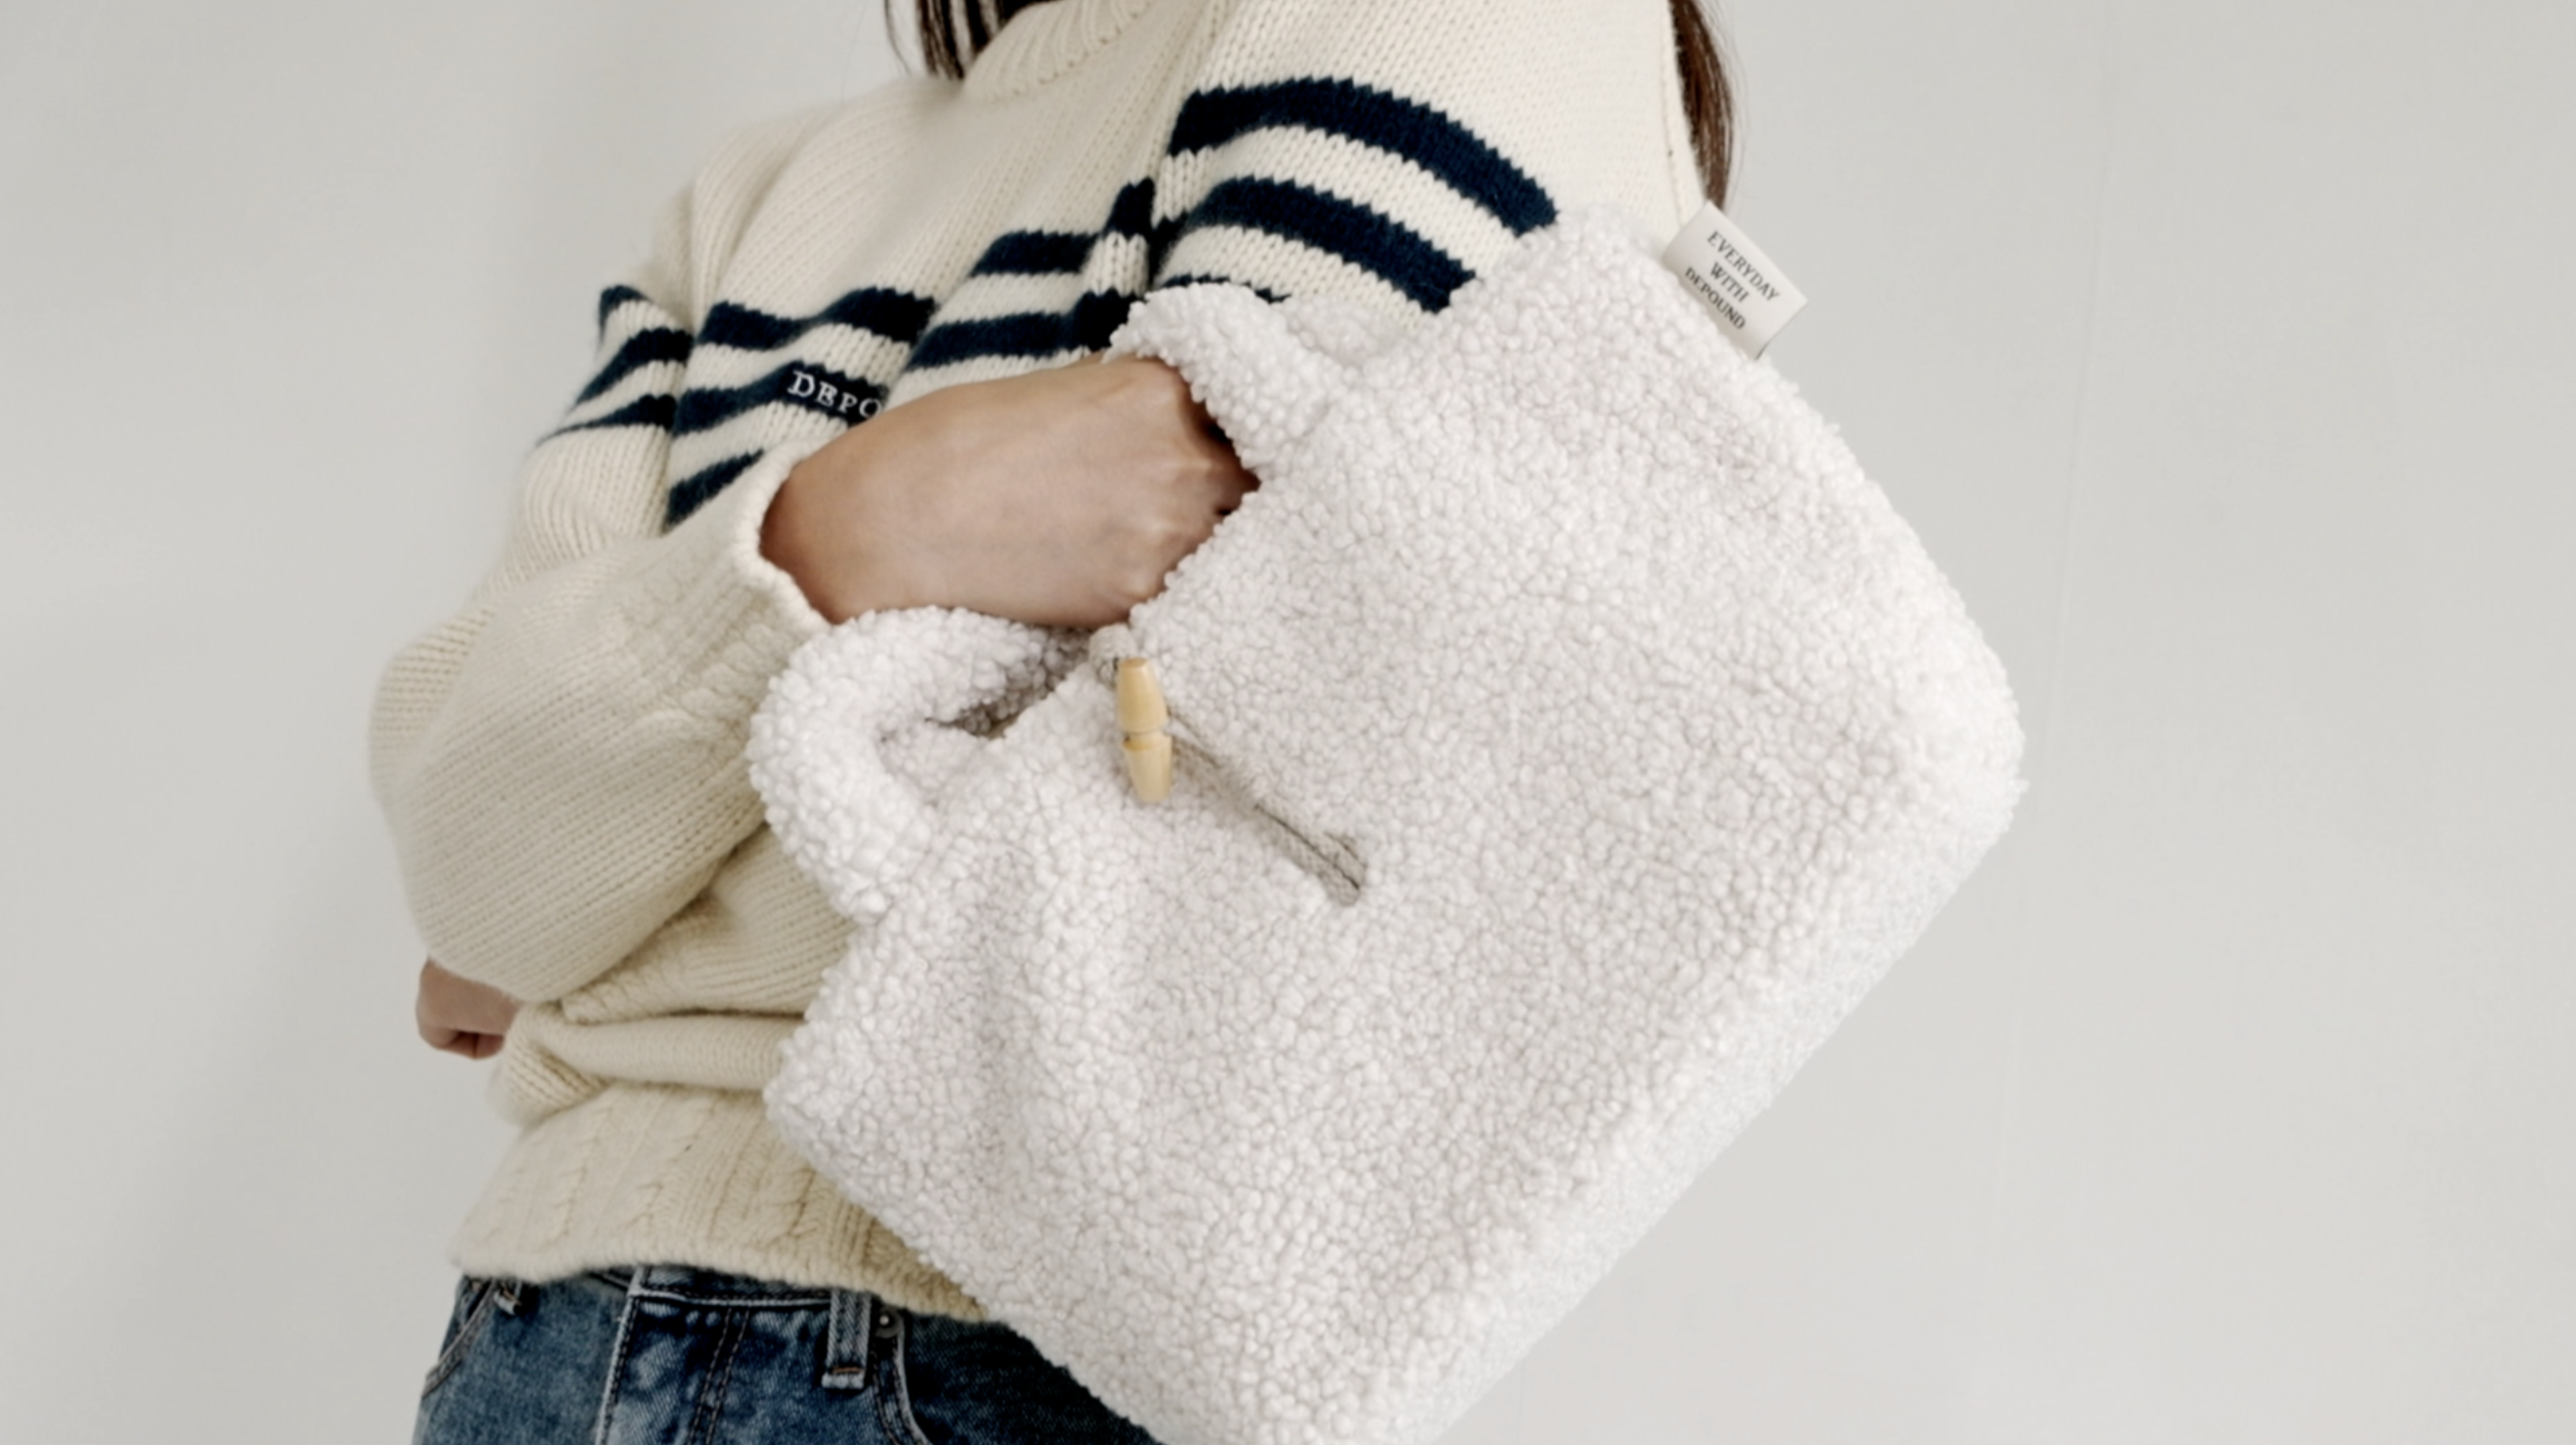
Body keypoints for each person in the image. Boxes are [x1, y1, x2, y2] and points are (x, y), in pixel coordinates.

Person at [381, 0, 1736, 1439]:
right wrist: (863, 520)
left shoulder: (1457, 24)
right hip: (539, 1330)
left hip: (1009, 1344)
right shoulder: (758, 192)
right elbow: (476, 862)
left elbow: (1231, 842)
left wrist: (621, 840)